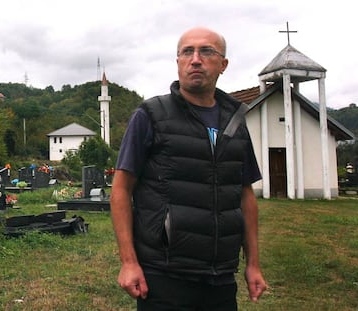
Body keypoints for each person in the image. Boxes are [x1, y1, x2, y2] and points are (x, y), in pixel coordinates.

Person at [110, 27, 267, 311]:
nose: (195, 59)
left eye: (206, 51)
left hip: (221, 278)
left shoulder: (236, 122)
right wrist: (129, 262)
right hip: (164, 274)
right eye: (187, 52)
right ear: (178, 62)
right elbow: (121, 188)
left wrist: (253, 264)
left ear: (223, 64)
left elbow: (245, 195)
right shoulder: (151, 116)